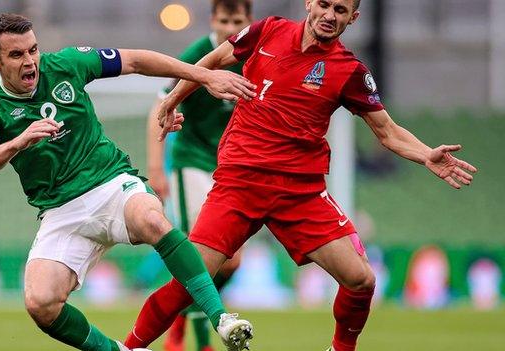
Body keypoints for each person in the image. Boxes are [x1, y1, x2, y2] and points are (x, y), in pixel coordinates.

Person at [125, 1, 478, 351]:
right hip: (240, 183)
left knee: (360, 279)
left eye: (340, 10)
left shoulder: (349, 71)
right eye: (324, 4)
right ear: (309, 3)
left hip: (299, 193)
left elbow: (387, 131)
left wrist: (426, 154)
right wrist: (172, 99)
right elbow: (214, 62)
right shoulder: (268, 31)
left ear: (352, 18)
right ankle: (129, 347)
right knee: (192, 278)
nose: (329, 15)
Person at [0, 13, 257, 351]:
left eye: (33, 50)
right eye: (17, 55)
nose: (31, 61)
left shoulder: (67, 64)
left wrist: (203, 75)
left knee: (152, 219)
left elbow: (134, 60)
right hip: (60, 211)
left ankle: (222, 318)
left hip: (111, 185)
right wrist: (20, 141)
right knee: (40, 302)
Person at [145, 1, 253, 351]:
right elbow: (159, 108)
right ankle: (202, 340)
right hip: (191, 163)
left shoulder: (254, 55)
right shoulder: (198, 55)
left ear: (248, 21)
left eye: (236, 21)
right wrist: (156, 168)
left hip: (230, 170)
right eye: (224, 20)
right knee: (202, 256)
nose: (229, 27)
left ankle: (180, 316)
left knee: (232, 262)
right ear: (213, 20)